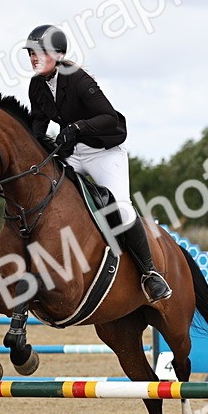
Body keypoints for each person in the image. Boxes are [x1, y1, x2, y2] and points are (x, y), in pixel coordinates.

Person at [23, 24, 172, 303]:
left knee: (122, 209)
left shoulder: (78, 79)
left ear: (57, 54)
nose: (33, 58)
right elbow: (37, 126)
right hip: (71, 151)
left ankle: (150, 274)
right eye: (30, 53)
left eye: (38, 52)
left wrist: (77, 127)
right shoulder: (37, 86)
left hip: (103, 151)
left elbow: (108, 118)